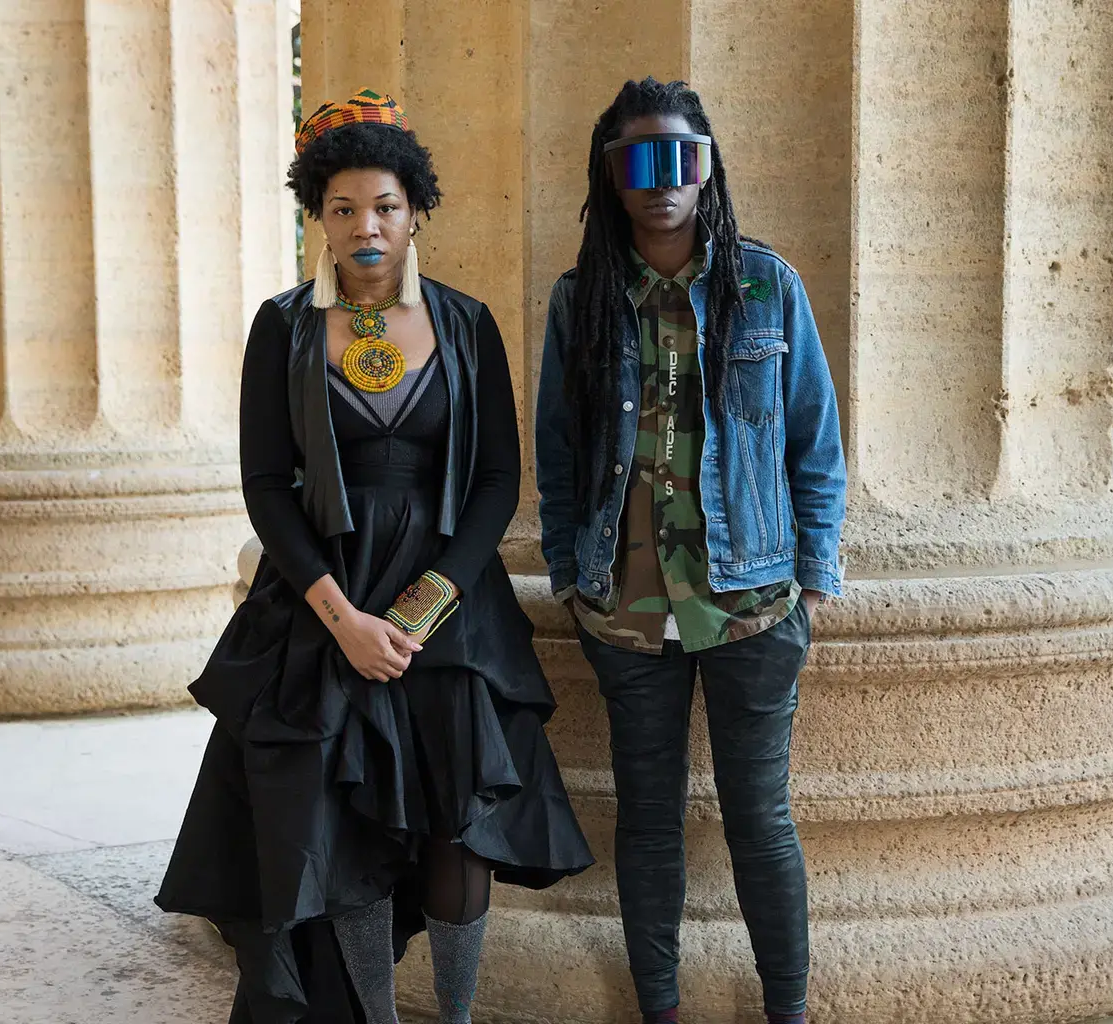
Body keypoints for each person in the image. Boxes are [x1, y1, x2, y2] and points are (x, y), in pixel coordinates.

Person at [157, 88, 593, 1024]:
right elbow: (268, 486)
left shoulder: (468, 323)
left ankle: (458, 1015)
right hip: (329, 605)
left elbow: (495, 483)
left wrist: (423, 606)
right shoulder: (283, 327)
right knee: (343, 821)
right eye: (345, 208)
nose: (366, 227)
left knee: (458, 826)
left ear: (414, 212)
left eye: (385, 207)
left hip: (450, 609)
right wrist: (345, 620)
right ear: (319, 215)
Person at [534, 78, 846, 1024]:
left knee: (761, 822)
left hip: (753, 603)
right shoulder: (580, 299)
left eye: (682, 157)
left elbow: (814, 444)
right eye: (638, 160)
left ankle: (787, 1011)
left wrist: (814, 576)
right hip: (624, 612)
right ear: (610, 176)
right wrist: (565, 573)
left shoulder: (767, 284)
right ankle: (659, 1010)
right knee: (649, 824)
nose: (662, 181)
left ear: (708, 170)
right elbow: (556, 447)